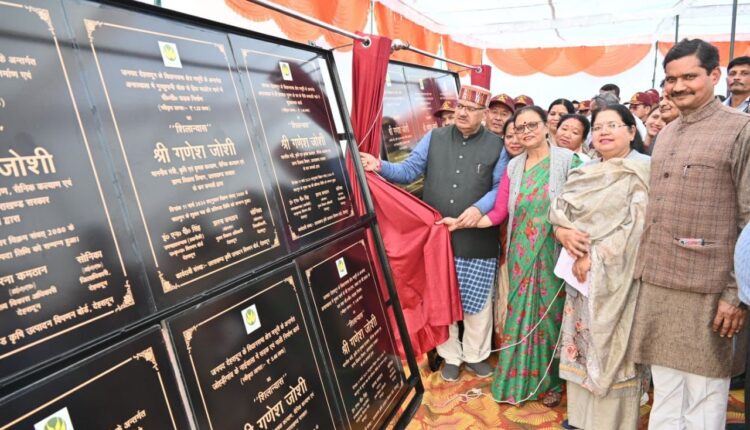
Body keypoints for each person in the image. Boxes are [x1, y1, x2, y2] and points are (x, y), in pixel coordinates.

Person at [629, 38, 750, 429]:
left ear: (715, 75)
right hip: (659, 280)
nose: (677, 87)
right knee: (664, 388)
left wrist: (736, 295)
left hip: (710, 288)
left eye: (689, 77)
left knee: (704, 393)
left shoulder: (741, 130)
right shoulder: (666, 133)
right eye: (671, 79)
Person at [360, 84, 509, 382]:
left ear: (483, 114)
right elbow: (408, 171)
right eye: (460, 107)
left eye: (471, 109)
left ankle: (476, 355)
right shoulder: (435, 137)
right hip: (438, 238)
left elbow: (498, 188)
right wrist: (379, 165)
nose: (463, 113)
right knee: (441, 299)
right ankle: (450, 356)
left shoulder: (498, 145)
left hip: (477, 237)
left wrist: (478, 209)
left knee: (477, 303)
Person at [439, 105, 582, 407]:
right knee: (519, 315)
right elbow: (499, 212)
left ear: (546, 126)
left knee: (550, 319)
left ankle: (550, 382)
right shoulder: (514, 167)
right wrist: (462, 223)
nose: (526, 132)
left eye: (532, 125)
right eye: (519, 128)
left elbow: (584, 207)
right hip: (520, 254)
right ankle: (518, 378)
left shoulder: (569, 161)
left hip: (554, 253)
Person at [552, 104, 650, 430]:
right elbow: (560, 211)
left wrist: (594, 256)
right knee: (582, 343)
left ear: (632, 131)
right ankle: (582, 420)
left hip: (619, 278)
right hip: (580, 278)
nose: (603, 132)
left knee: (613, 348)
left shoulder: (643, 170)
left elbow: (638, 229)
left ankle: (612, 424)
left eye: (612, 125)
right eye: (598, 127)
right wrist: (563, 233)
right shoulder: (585, 170)